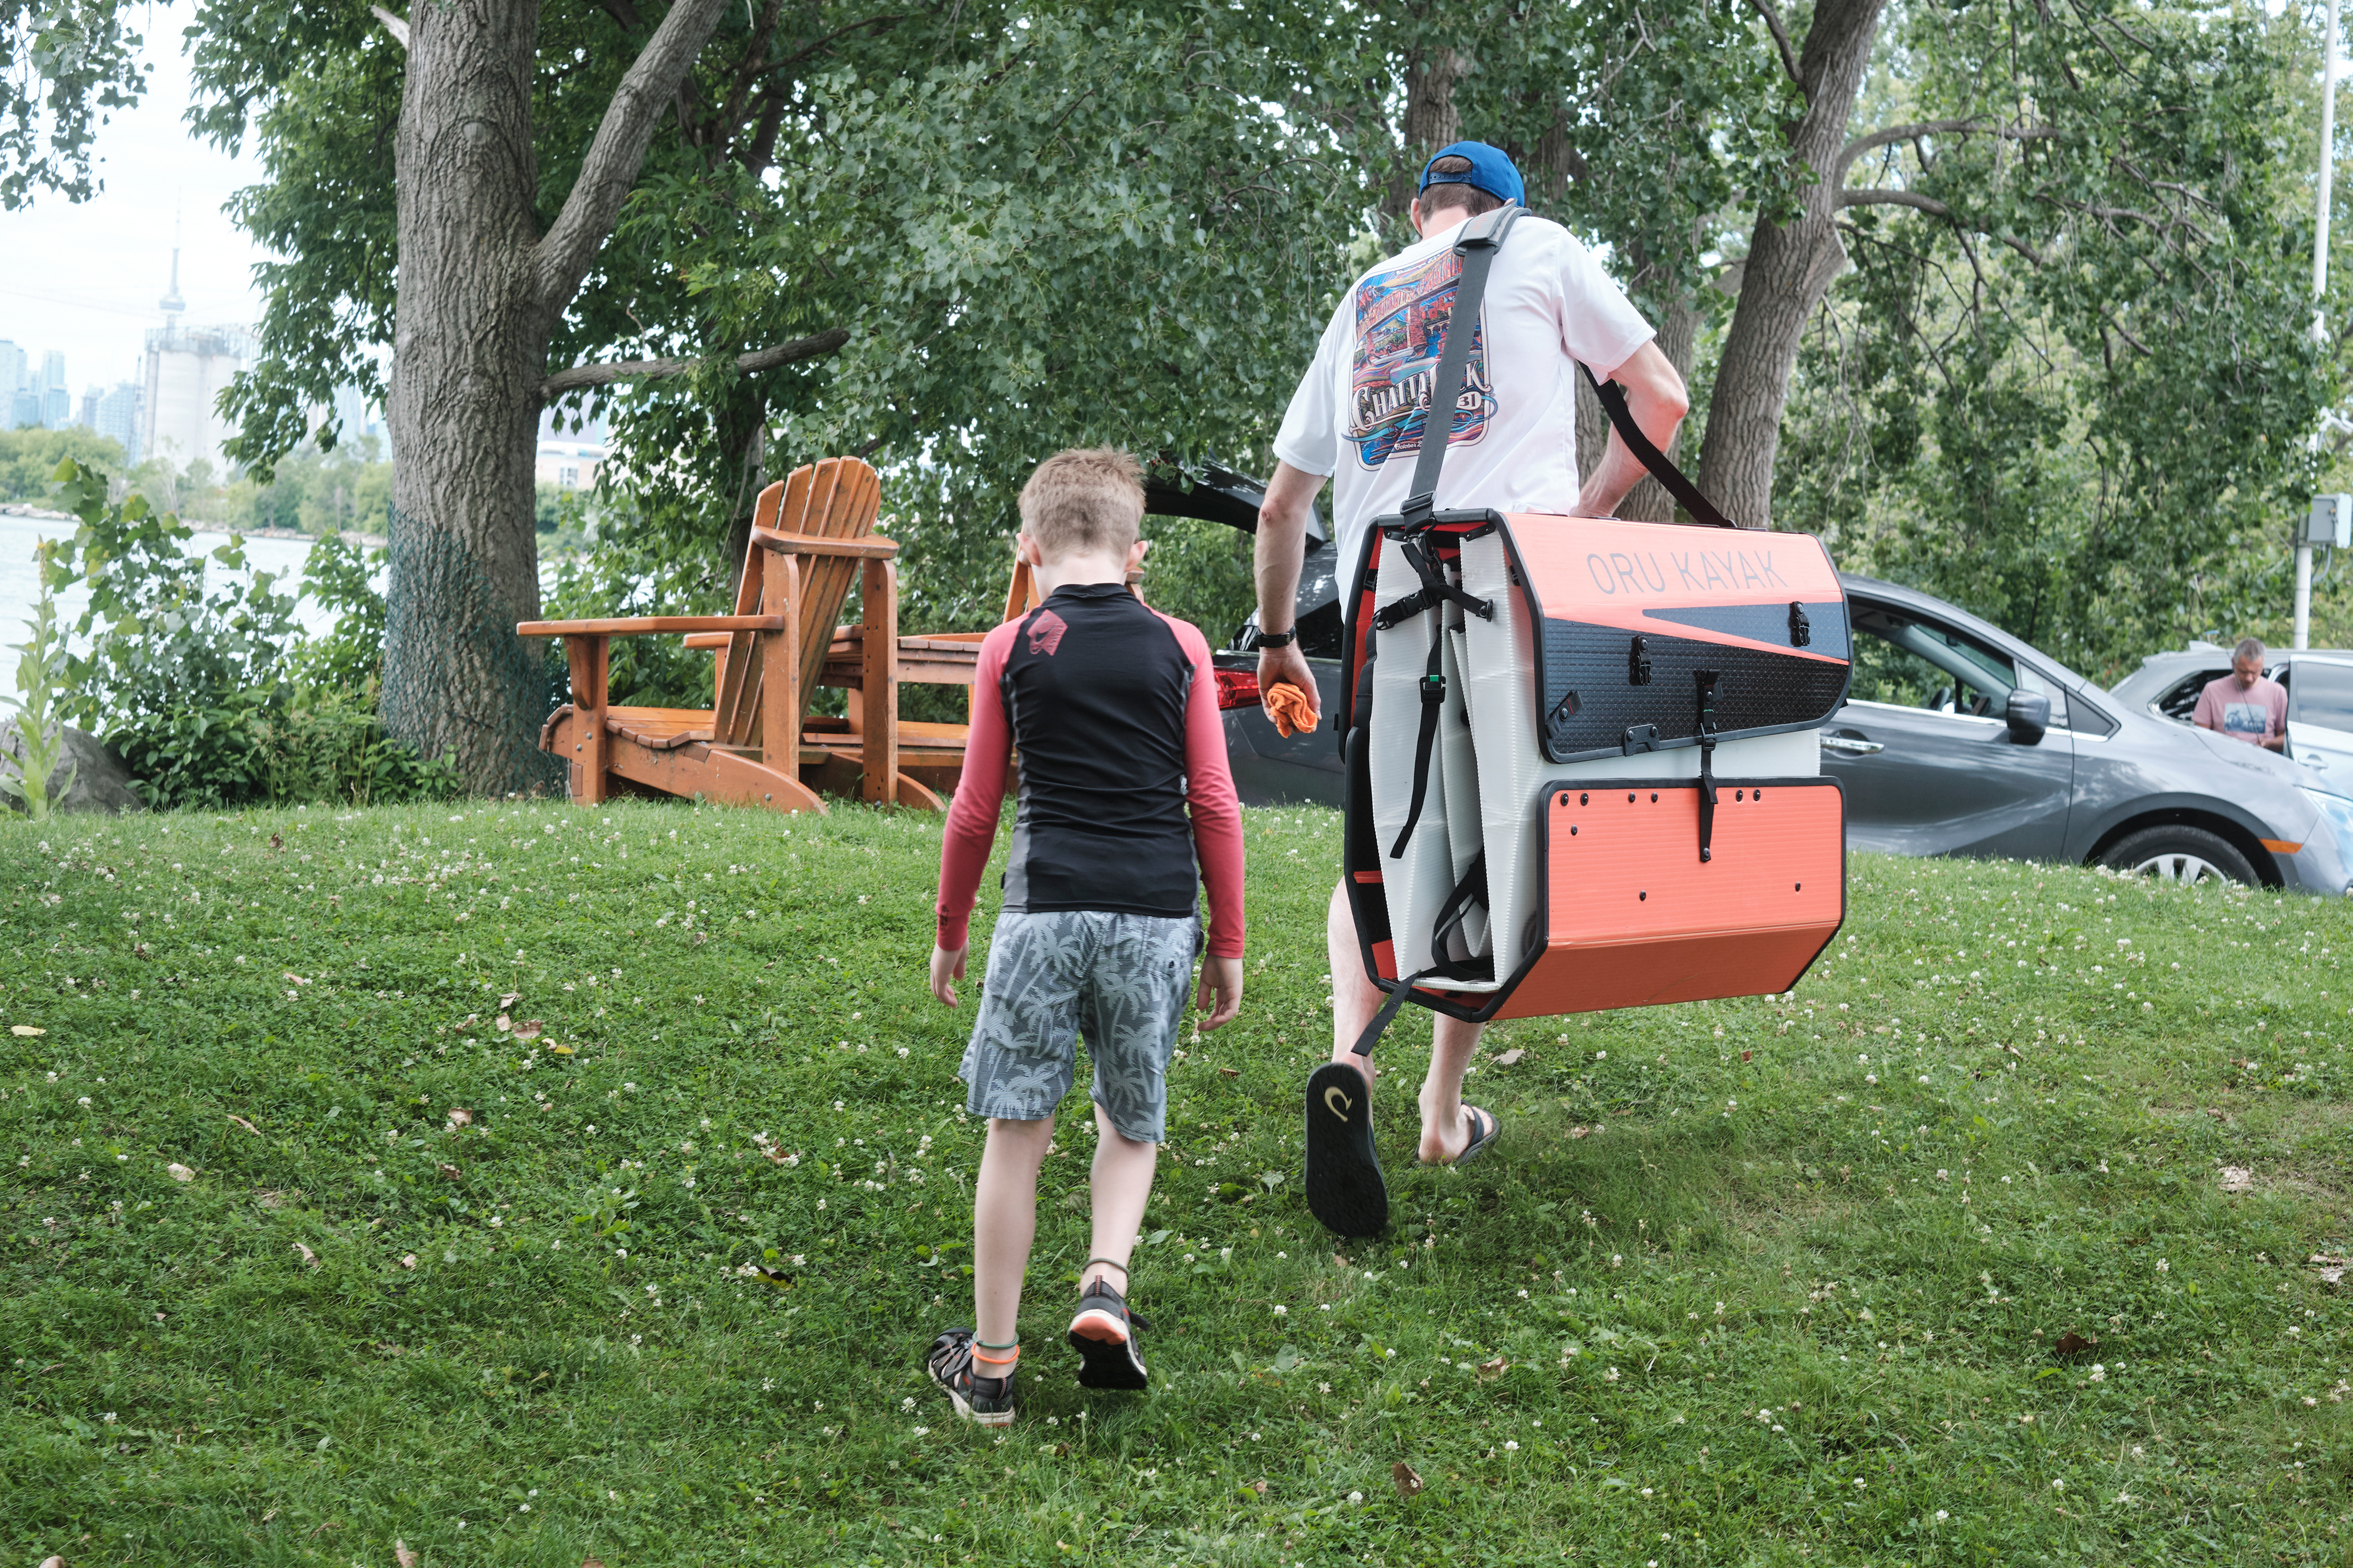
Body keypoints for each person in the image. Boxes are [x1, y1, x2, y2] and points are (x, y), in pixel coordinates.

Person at [1250, 141, 1691, 1232]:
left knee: (1382, 841)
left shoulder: (1365, 298)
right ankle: (1439, 1108)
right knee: (1491, 842)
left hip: (1378, 601)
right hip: (1507, 593)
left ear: (1421, 213)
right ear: (1508, 208)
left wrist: (1271, 638)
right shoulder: (1539, 249)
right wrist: (1583, 525)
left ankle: (1350, 1057)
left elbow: (1280, 506)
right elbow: (1661, 397)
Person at [922, 447, 1247, 1426]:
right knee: (1130, 1119)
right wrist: (1226, 939)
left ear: (1030, 548)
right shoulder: (1182, 644)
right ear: (1136, 552)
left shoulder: (1008, 646)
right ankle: (1103, 1280)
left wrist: (950, 927)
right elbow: (1215, 800)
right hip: (1155, 915)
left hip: (1043, 911)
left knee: (1016, 1135)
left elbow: (976, 808)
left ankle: (989, 1370)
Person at [2193, 638, 2287, 751]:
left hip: (2263, 762)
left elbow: (2286, 737)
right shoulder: (2212, 690)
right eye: (2243, 672)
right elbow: (2200, 735)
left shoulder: (2277, 693)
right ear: (2233, 663)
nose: (2248, 678)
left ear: (2262, 667)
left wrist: (2269, 743)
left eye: (2254, 672)